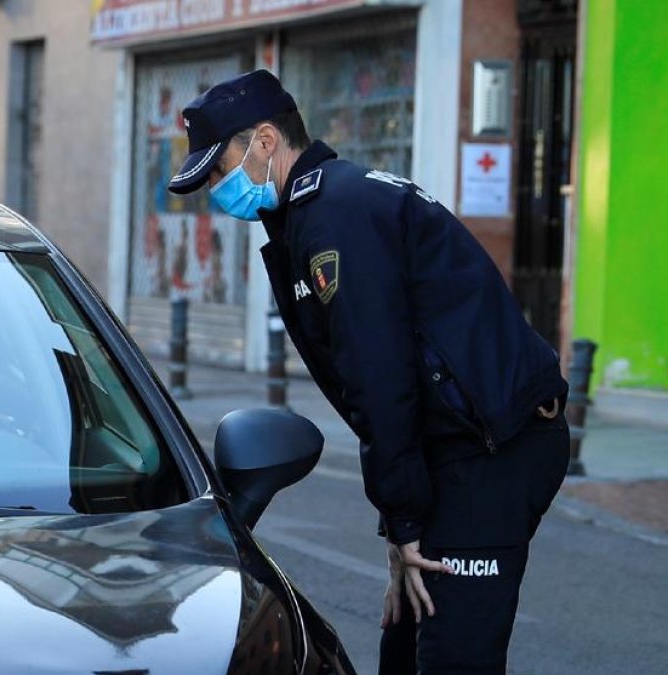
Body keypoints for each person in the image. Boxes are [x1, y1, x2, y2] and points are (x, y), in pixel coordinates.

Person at [166, 69, 569, 675]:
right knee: (403, 643)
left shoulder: (336, 216)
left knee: (451, 656)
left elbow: (380, 378)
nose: (217, 190)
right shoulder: (319, 209)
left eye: (220, 169)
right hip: (452, 444)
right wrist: (399, 530)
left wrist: (405, 522)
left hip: (492, 450)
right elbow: (386, 381)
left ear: (266, 140)